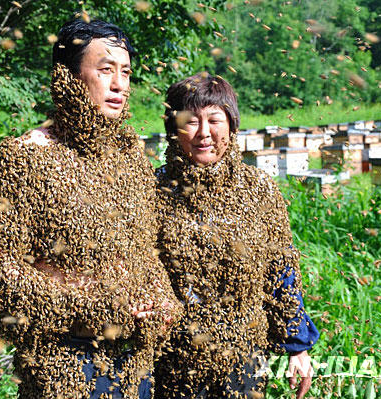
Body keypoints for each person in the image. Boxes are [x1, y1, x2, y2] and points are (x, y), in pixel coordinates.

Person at [0, 18, 182, 399]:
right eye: (105, 70)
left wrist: (162, 300)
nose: (120, 84)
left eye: (126, 73)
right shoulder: (24, 157)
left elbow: (144, 252)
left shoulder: (132, 158)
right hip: (63, 365)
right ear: (67, 77)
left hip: (136, 364)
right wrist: (94, 309)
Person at [153, 72, 319, 399]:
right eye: (190, 121)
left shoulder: (259, 190)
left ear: (232, 125)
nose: (204, 133)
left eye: (215, 120)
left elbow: (280, 270)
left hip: (244, 355)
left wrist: (297, 347)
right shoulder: (151, 191)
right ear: (173, 131)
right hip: (171, 362)